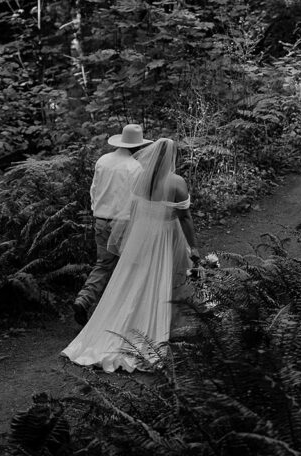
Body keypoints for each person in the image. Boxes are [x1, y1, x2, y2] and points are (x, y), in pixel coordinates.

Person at [62, 137, 201, 373]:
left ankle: (121, 323)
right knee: (163, 276)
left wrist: (133, 241)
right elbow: (185, 218)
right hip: (166, 235)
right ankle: (157, 323)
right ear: (171, 157)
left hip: (142, 234)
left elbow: (134, 212)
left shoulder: (140, 180)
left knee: (133, 280)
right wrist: (194, 247)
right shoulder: (177, 182)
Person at [72, 123, 153, 326]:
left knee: (103, 264)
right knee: (129, 265)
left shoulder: (103, 160)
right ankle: (123, 311)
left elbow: (94, 190)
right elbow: (138, 199)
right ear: (137, 146)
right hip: (125, 223)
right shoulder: (135, 167)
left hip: (101, 219)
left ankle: (84, 298)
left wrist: (97, 210)